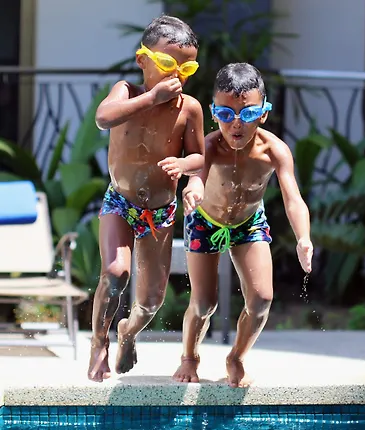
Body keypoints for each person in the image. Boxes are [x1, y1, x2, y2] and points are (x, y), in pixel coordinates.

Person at [173, 62, 314, 388]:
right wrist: (193, 188)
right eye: (226, 114)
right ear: (213, 113)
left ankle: (236, 356)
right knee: (204, 303)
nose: (236, 123)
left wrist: (303, 237)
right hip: (205, 221)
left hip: (248, 223)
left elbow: (293, 199)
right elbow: (197, 176)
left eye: (247, 114)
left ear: (263, 113)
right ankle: (189, 357)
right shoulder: (210, 147)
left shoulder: (274, 151)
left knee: (262, 299)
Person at [88, 15, 205, 382]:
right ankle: (99, 343)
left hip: (160, 210)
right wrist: (152, 98)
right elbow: (103, 118)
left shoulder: (189, 109)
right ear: (143, 60)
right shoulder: (126, 91)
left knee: (151, 301)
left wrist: (189, 173)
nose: (177, 75)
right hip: (121, 202)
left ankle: (128, 331)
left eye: (187, 67)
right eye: (168, 63)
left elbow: (200, 158)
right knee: (115, 272)